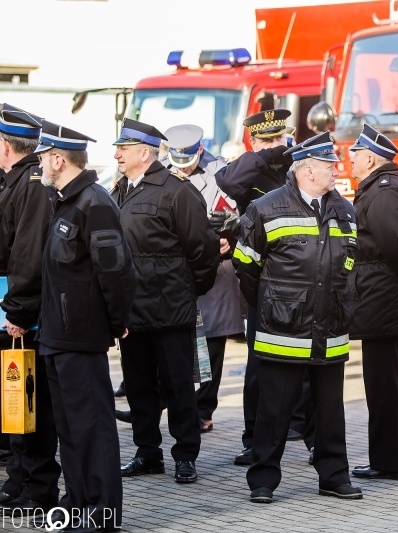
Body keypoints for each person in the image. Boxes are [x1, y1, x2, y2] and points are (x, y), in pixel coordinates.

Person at [231, 131, 362, 503]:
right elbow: (246, 266)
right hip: (282, 330)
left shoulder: (344, 209)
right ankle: (263, 481)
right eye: (328, 165)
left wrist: (343, 304)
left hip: (330, 329)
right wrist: (275, 304)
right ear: (306, 171)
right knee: (274, 411)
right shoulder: (267, 208)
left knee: (330, 412)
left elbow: (352, 264)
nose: (336, 170)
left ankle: (334, 476)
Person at [35, 120, 137, 531]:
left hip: (82, 335)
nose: (40, 163)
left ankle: (102, 513)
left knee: (93, 430)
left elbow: (117, 272)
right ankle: (77, 506)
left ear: (58, 159)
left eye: (43, 157)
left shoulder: (93, 203)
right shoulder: (63, 200)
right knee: (71, 430)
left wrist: (115, 323)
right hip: (57, 335)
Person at [110, 118, 219, 484]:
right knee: (139, 386)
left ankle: (185, 454)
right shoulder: (120, 190)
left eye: (122, 150)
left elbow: (203, 252)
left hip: (171, 310)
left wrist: (188, 291)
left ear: (145, 152)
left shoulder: (176, 191)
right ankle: (147, 452)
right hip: (132, 311)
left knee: (177, 387)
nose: (117, 155)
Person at [215, 109, 313, 466]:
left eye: (279, 139)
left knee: (306, 361)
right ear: (253, 143)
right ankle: (253, 437)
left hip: (301, 276)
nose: (276, 146)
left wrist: (284, 152)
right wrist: (263, 155)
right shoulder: (247, 168)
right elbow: (227, 181)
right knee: (259, 364)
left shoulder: (300, 163)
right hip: (263, 278)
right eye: (266, 140)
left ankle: (307, 433)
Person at [0, 104, 61, 515]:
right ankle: (20, 478)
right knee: (14, 400)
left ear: (5, 145)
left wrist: (19, 312)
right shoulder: (15, 181)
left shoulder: (32, 185)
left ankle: (38, 488)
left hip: (25, 314)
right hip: (14, 306)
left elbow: (27, 254)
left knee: (30, 403)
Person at [163, 124, 244, 433]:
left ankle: (204, 409)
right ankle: (173, 404)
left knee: (212, 341)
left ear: (199, 151)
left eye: (189, 162)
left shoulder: (222, 173)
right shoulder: (164, 171)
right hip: (176, 267)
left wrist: (231, 240)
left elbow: (246, 215)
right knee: (179, 341)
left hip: (215, 268)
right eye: (177, 162)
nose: (183, 169)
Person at [347, 124, 398, 481]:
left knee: (382, 383)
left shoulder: (384, 192)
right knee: (389, 380)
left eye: (354, 154)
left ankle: (389, 462)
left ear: (370, 159)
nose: (350, 160)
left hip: (384, 299)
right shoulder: (378, 189)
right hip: (382, 297)